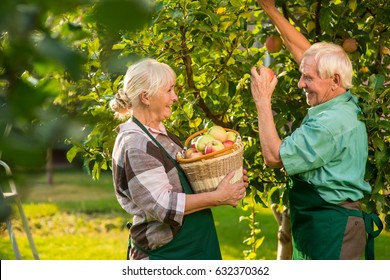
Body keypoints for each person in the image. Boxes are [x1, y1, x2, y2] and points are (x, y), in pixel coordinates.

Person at [250, 0, 375, 259]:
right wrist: (270, 9)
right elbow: (306, 52)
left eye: (307, 78)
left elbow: (274, 157)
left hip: (332, 228)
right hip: (321, 223)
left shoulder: (329, 124)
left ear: (335, 80)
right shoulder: (342, 98)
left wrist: (263, 100)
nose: (300, 84)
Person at [110, 58, 248, 260]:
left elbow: (184, 184)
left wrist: (227, 181)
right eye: (169, 90)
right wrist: (218, 197)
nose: (175, 97)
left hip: (194, 245)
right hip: (166, 253)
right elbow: (164, 205)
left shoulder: (158, 134)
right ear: (146, 97)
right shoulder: (136, 145)